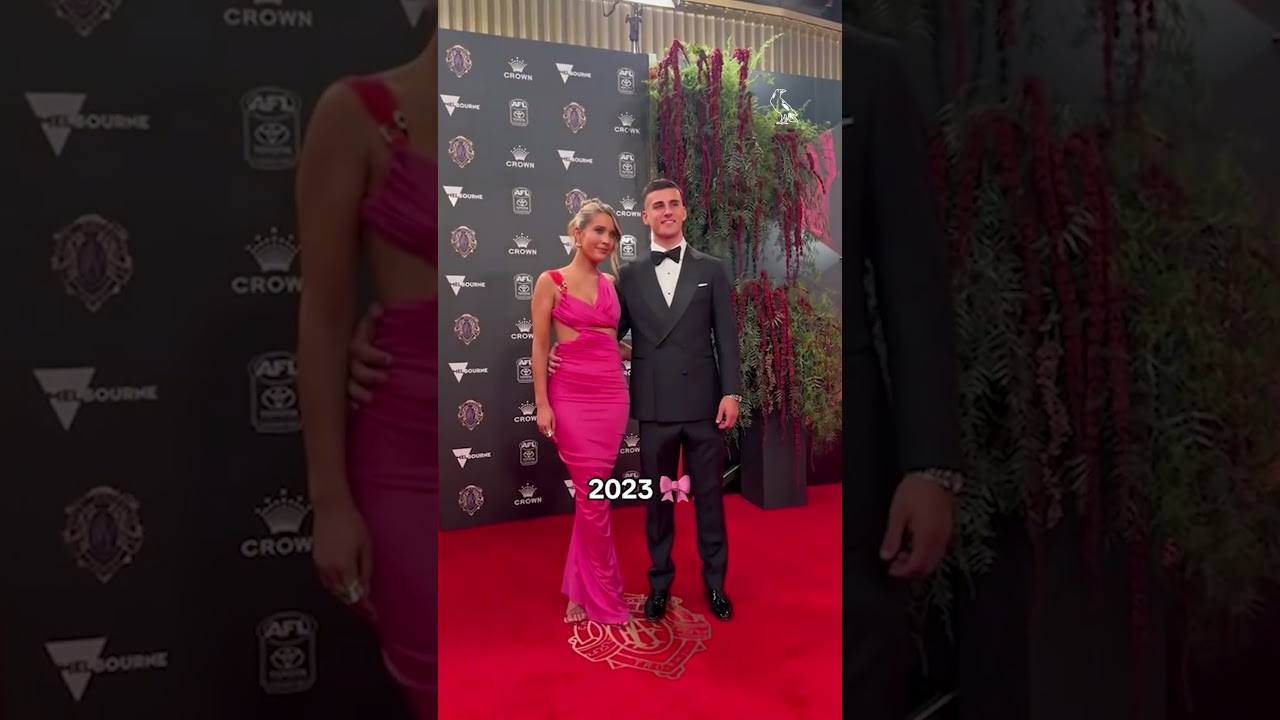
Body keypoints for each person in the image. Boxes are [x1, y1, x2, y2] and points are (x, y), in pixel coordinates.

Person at [294, 8, 438, 718]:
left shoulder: (558, 121)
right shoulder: (357, 114)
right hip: (412, 460)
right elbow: (322, 322)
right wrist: (330, 502)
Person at [842, 27, 964, 719]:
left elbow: (912, 284)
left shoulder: (869, 73)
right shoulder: (627, 59)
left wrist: (931, 465)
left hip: (842, 478)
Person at [558, 178, 741, 623]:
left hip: (703, 405)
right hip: (655, 407)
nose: (666, 211)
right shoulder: (629, 277)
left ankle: (715, 584)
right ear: (645, 217)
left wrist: (731, 391)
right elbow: (608, 336)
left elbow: (727, 337)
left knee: (710, 500)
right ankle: (659, 583)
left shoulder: (712, 269)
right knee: (656, 503)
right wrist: (559, 351)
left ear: (683, 211)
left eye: (673, 204)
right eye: (656, 205)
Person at [532, 200, 632, 625]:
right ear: (577, 233)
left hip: (612, 396)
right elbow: (539, 345)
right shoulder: (550, 281)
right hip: (571, 397)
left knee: (594, 498)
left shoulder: (612, 282)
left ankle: (578, 588)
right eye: (599, 232)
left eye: (612, 235)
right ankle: (605, 597)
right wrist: (542, 402)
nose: (606, 240)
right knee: (594, 499)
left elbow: (613, 341)